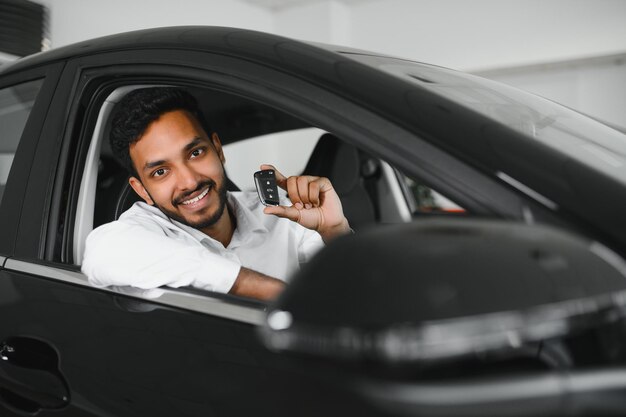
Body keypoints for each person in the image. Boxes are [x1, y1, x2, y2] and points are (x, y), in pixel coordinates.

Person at [82, 87, 351, 301]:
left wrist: (335, 230)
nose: (189, 182)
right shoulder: (139, 233)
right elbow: (101, 253)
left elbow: (350, 299)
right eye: (161, 172)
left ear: (218, 149)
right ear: (142, 189)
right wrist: (257, 288)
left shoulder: (281, 213)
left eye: (195, 153)